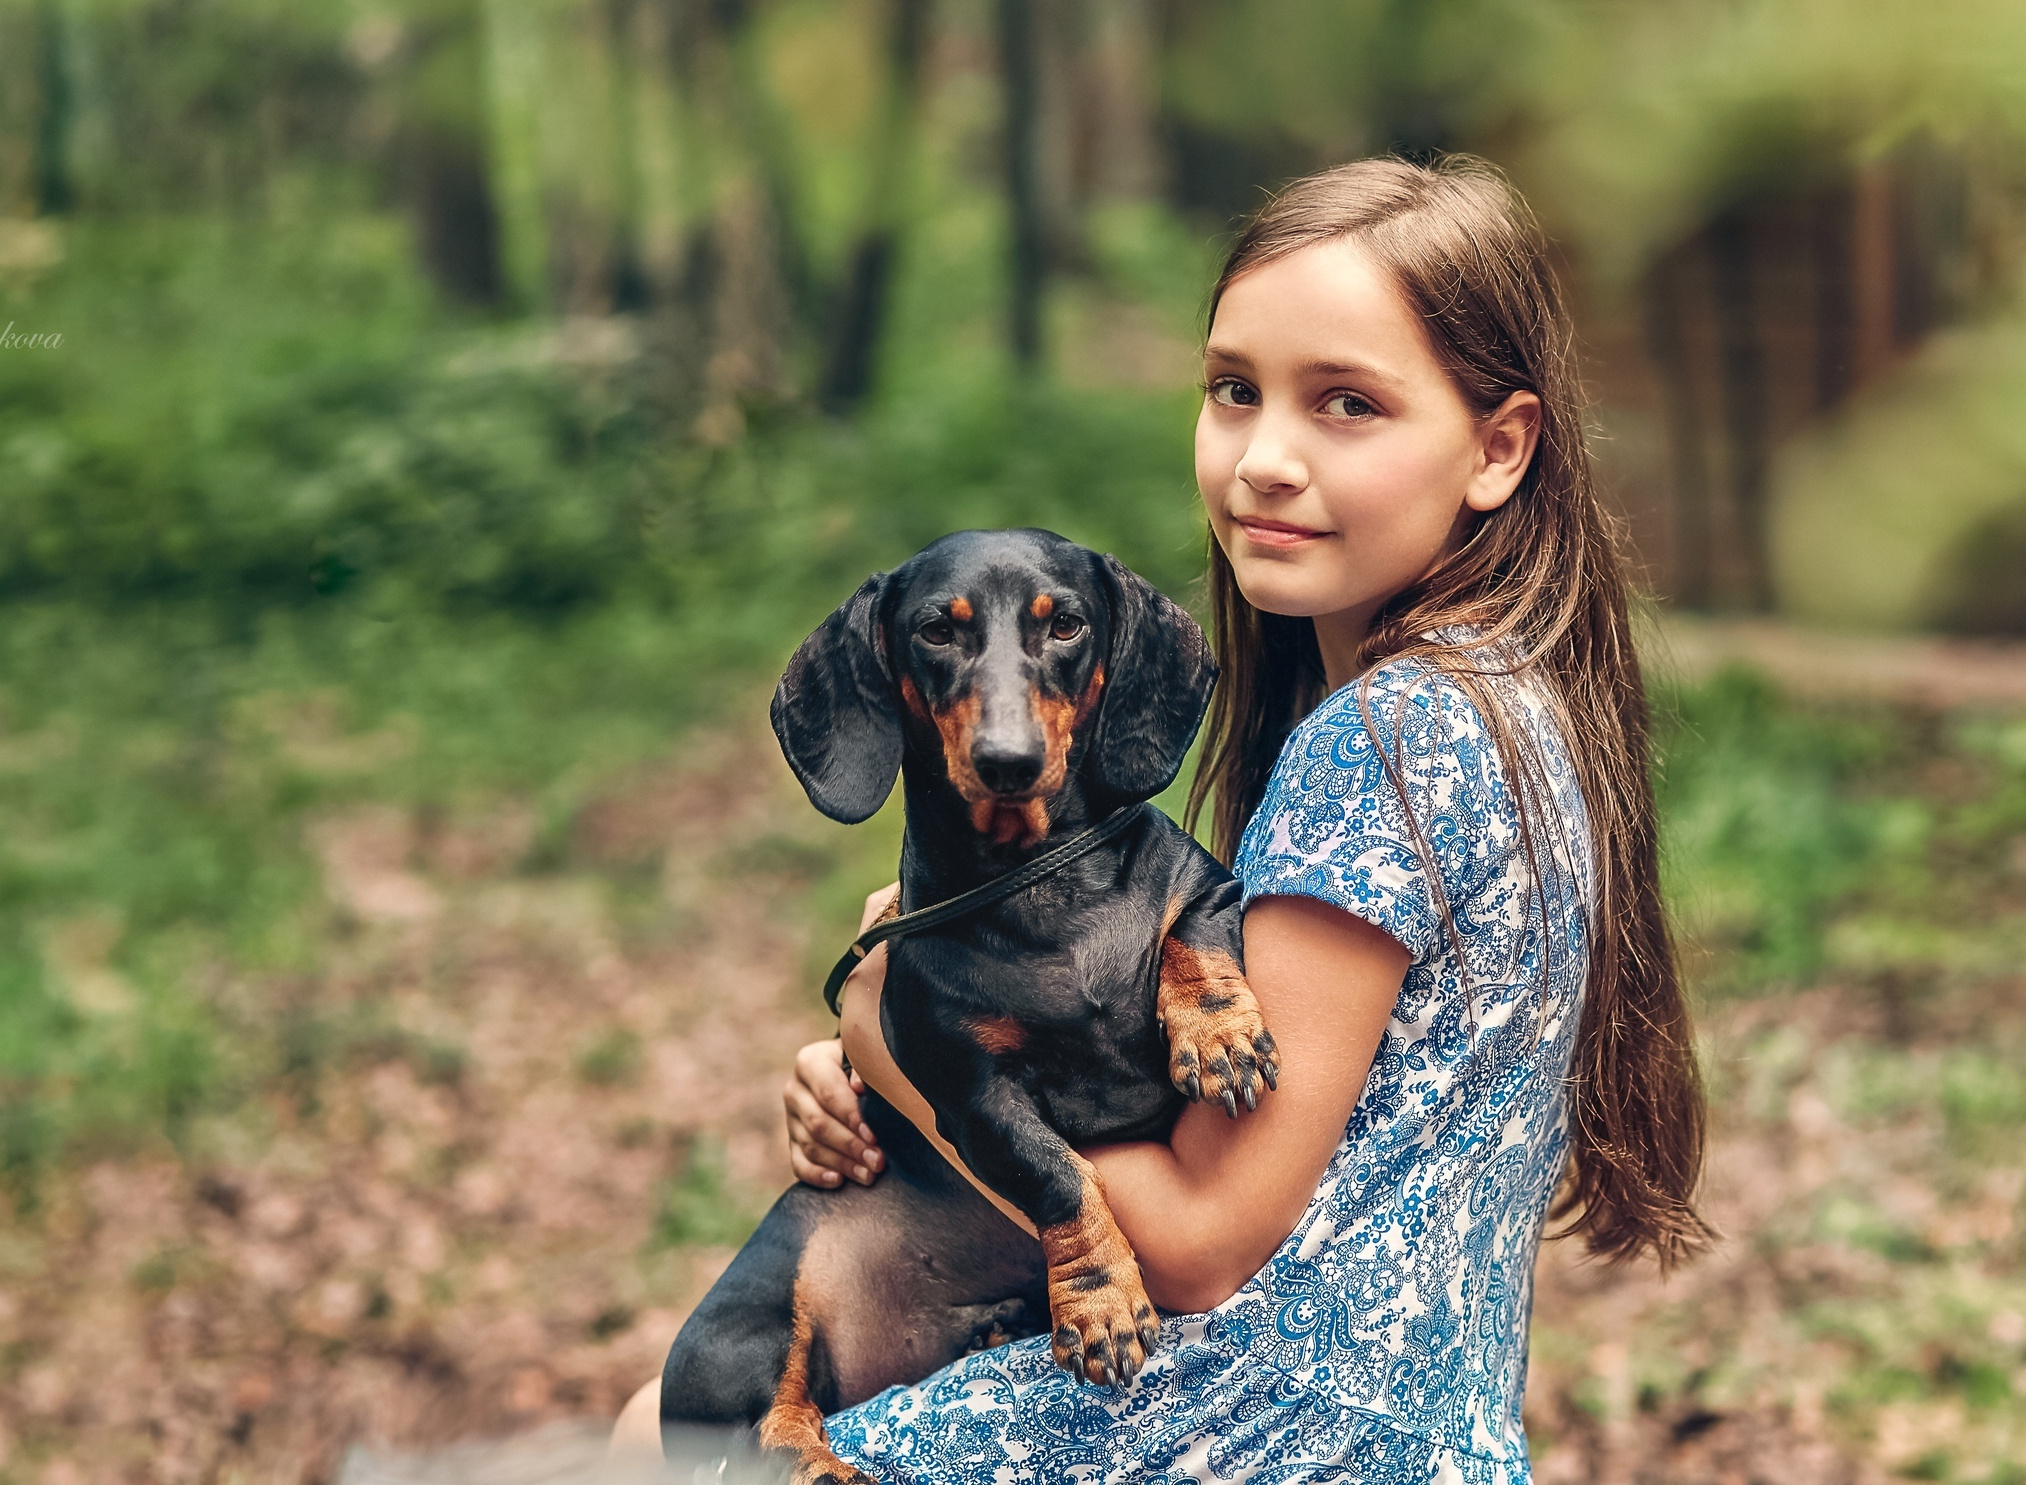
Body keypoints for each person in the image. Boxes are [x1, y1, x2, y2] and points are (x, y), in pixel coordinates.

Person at [610, 154, 1707, 1483]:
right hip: (1424, 1441)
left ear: (1498, 447)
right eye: (1234, 389)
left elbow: (1196, 1238)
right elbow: (1174, 1104)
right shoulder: (1512, 709)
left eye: (1348, 403)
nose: (1266, 458)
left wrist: (889, 1033)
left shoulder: (1388, 741)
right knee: (690, 1403)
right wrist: (918, 1074)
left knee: (652, 1447)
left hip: (1246, 1432)